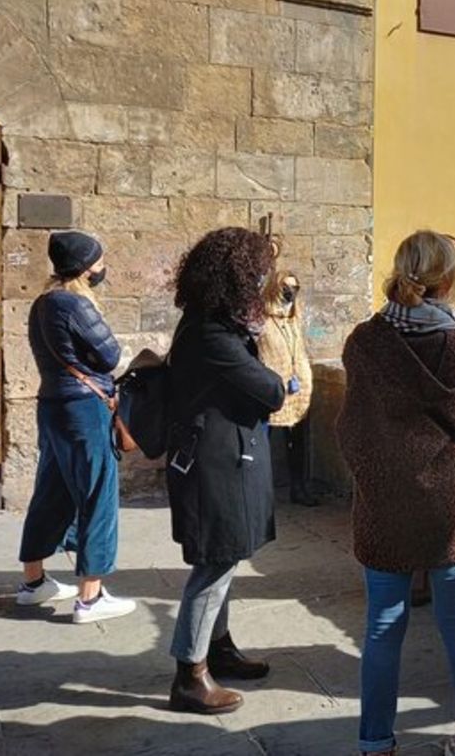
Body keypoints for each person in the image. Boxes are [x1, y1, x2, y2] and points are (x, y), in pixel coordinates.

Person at [337, 230, 455, 756]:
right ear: (449, 278)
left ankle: (376, 744)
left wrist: (377, 473)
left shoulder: (365, 342)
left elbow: (352, 427)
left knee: (382, 629)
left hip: (386, 501)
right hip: (453, 504)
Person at [165, 227, 288, 715]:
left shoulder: (212, 325)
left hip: (226, 458)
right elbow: (273, 390)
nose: (266, 281)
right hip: (213, 466)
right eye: (259, 272)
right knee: (215, 563)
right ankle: (189, 675)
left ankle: (218, 649)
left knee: (227, 555)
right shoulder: (211, 333)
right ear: (238, 277)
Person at [16, 230, 136, 624]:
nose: (103, 268)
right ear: (85, 267)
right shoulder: (75, 305)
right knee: (98, 495)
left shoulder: (42, 304)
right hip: (85, 409)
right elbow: (109, 356)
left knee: (51, 491)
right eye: (99, 261)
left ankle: (33, 583)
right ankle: (91, 597)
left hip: (52, 405)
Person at [258, 268, 319, 506]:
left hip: (299, 388)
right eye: (285, 288)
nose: (290, 293)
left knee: (298, 443)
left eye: (294, 288)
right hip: (273, 387)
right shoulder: (263, 319)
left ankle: (299, 487)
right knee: (265, 442)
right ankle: (262, 494)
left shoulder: (295, 317)